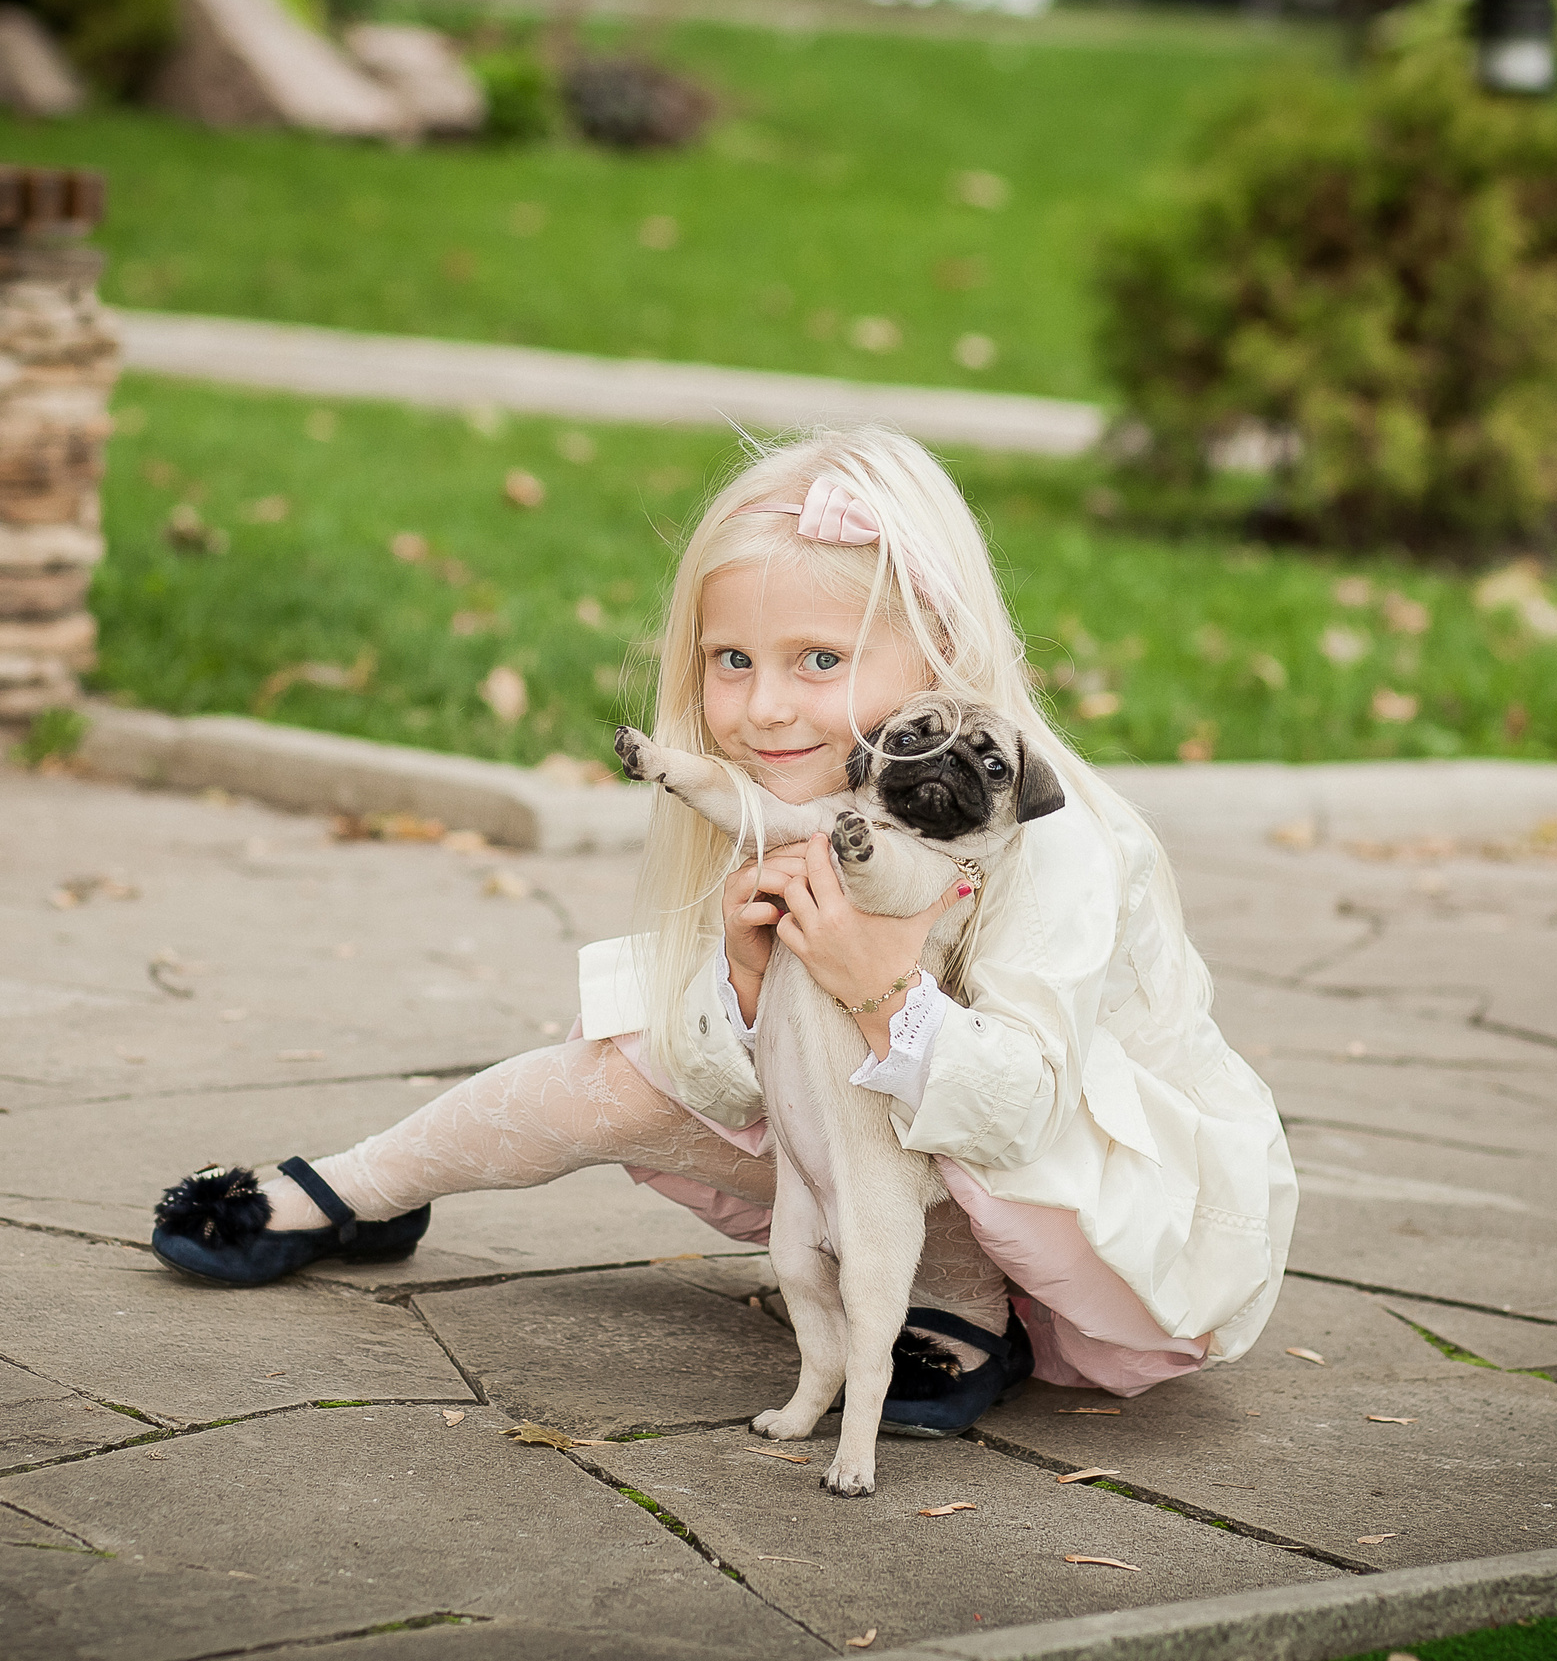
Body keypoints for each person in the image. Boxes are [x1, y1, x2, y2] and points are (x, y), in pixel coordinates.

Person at [151, 424, 1298, 1427]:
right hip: (886, 1146)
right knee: (615, 1069)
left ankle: (958, 1308)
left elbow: (1027, 1108)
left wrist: (881, 993)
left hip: (1094, 1208)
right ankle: (348, 1194)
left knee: (910, 1080)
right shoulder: (803, 804)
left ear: (938, 650)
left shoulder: (1046, 833)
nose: (763, 707)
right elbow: (728, 1077)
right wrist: (747, 981)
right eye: (732, 661)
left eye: (820, 660)